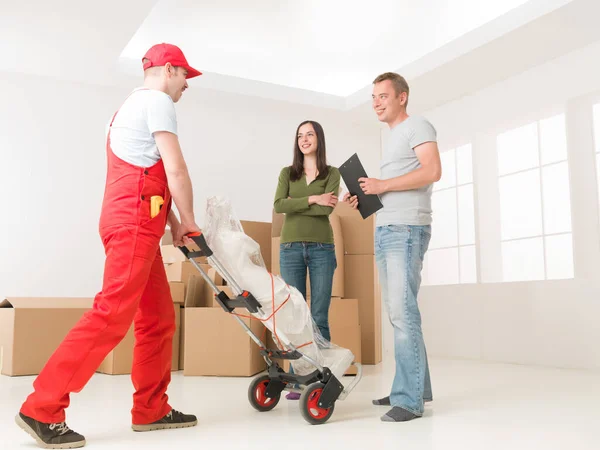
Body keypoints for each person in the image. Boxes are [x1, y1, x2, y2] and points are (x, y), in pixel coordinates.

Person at [16, 43, 202, 448]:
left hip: (135, 219)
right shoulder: (158, 101)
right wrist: (189, 222)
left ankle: (151, 409)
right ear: (169, 69)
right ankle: (41, 407)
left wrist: (172, 224)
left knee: (157, 318)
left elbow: (148, 171)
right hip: (135, 222)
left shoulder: (124, 110)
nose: (187, 84)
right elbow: (175, 167)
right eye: (185, 75)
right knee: (111, 314)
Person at [344, 72, 441, 422]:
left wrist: (383, 183)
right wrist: (367, 195)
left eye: (383, 96)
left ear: (402, 97)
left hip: (406, 229)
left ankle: (409, 400)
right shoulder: (392, 138)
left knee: (402, 313)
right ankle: (416, 388)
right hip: (385, 227)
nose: (376, 102)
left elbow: (432, 171)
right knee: (399, 312)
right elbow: (393, 186)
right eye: (373, 97)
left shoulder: (418, 125)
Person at [273, 120, 340, 400]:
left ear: (319, 139)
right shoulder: (288, 172)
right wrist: (313, 199)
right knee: (295, 316)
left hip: (322, 248)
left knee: (319, 314)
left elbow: (327, 212)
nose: (304, 139)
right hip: (290, 248)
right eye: (300, 135)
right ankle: (300, 379)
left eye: (310, 134)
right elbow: (279, 205)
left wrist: (297, 204)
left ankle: (320, 380)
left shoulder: (333, 173)